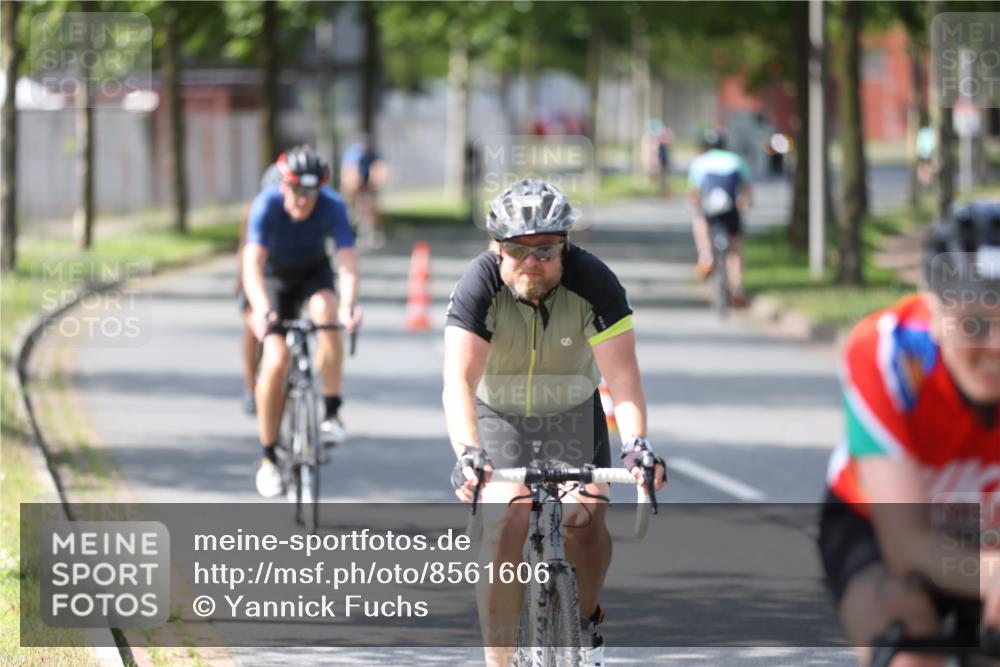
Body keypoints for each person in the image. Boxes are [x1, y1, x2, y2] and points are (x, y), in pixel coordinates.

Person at [443, 178, 667, 666]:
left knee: (586, 514)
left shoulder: (594, 282)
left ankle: (583, 626)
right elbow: (458, 380)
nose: (531, 261)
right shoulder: (479, 285)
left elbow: (624, 380)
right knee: (507, 518)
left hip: (572, 412)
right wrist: (468, 454)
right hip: (499, 413)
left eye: (545, 249)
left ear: (565, 245)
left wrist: (637, 444)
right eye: (517, 250)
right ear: (496, 249)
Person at [818, 201, 1000, 666]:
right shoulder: (888, 355)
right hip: (877, 527)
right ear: (936, 309)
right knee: (909, 650)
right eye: (975, 322)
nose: (995, 344)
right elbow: (905, 545)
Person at [243, 146, 362, 498]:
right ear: (283, 185)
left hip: (313, 273)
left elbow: (347, 261)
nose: (303, 200)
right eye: (296, 190)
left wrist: (349, 304)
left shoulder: (333, 205)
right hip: (274, 278)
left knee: (327, 314)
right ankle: (268, 457)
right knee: (276, 359)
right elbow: (252, 264)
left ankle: (331, 412)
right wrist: (261, 309)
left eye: (311, 192)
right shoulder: (266, 205)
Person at [235, 163, 283, 416]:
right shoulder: (255, 210)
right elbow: (245, 247)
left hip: (283, 275)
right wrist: (240, 280)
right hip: (257, 273)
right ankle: (250, 385)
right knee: (252, 327)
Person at [687, 129, 752, 307]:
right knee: (735, 248)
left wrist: (695, 206)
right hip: (731, 208)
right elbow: (746, 188)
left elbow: (694, 193)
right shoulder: (737, 160)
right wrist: (746, 203)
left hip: (710, 208)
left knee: (699, 221)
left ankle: (706, 256)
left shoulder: (700, 162)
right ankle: (737, 288)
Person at [340, 136, 388, 247]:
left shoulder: (372, 154)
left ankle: (369, 232)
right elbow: (350, 171)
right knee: (355, 211)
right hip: (356, 186)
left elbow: (378, 168)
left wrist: (375, 182)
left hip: (367, 185)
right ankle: (352, 232)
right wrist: (352, 186)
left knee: (370, 209)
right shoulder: (353, 154)